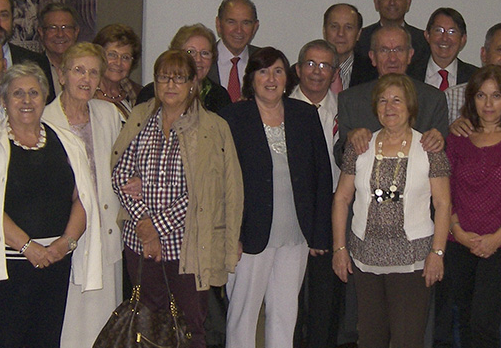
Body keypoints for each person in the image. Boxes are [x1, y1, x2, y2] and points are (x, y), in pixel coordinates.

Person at [0, 63, 102, 347]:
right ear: (5, 99)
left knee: (47, 341)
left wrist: (65, 244)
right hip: (7, 268)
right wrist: (28, 248)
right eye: (17, 94)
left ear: (45, 97)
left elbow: (83, 199)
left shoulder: (67, 141)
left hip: (55, 263)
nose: (26, 101)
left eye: (33, 93)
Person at [111, 50, 244, 348]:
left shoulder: (213, 128)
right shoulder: (141, 117)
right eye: (163, 77)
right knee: (147, 324)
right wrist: (144, 225)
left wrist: (154, 226)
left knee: (189, 325)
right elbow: (119, 173)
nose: (170, 85)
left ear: (193, 84)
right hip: (139, 244)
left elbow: (206, 194)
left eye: (179, 78)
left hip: (189, 246)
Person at [218, 47, 333, 348]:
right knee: (243, 315)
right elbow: (221, 183)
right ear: (251, 78)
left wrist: (320, 234)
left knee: (285, 314)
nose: (271, 78)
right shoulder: (232, 117)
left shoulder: (304, 115)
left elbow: (322, 174)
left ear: (288, 77)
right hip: (250, 236)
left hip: (295, 234)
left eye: (278, 71)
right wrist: (231, 236)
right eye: (263, 71)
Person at [331, 73, 451, 347]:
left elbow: (443, 204)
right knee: (370, 338)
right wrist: (340, 250)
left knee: (407, 339)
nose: (389, 107)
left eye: (397, 100)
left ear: (410, 106)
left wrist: (438, 253)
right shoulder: (360, 146)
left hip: (412, 261)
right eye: (383, 101)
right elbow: (341, 199)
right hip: (365, 258)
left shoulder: (430, 148)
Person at [435, 66, 501, 348]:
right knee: (464, 318)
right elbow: (446, 191)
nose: (489, 104)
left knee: (484, 321)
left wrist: (496, 238)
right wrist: (458, 233)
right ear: (471, 99)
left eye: (496, 96)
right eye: (481, 95)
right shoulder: (456, 139)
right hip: (460, 242)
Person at [40, 42, 125, 348]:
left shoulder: (109, 115)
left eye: (93, 72)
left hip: (107, 234)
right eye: (78, 71)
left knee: (105, 328)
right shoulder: (44, 120)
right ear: (62, 76)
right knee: (69, 326)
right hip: (66, 238)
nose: (86, 79)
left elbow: (121, 166)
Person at [288, 39, 348, 348]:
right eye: (310, 64)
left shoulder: (345, 112)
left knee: (326, 305)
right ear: (297, 70)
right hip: (289, 220)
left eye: (325, 65)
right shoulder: (278, 110)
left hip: (333, 219)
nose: (317, 71)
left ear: (335, 73)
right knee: (289, 304)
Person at [335, 25, 449, 164]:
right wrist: (350, 142)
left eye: (399, 50)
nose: (392, 58)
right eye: (384, 50)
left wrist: (438, 142)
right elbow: (341, 159)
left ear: (410, 55)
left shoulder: (433, 99)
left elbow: (444, 159)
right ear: (372, 57)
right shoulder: (349, 99)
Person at [351, 0, 430, 86]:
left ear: (408, 2)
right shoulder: (360, 39)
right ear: (376, 2)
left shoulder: (424, 42)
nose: (392, 2)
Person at [136, 24, 233, 113]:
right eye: (191, 52)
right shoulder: (150, 93)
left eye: (205, 53)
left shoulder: (220, 96)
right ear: (176, 55)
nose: (198, 59)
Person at [410, 8, 478, 94]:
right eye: (439, 30)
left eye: (452, 32)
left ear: (463, 39)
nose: (444, 38)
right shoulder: (409, 74)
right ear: (427, 35)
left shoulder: (476, 78)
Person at [210, 0, 261, 101]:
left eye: (246, 23)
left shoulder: (266, 61)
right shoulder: (202, 60)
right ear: (218, 24)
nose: (239, 30)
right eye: (231, 22)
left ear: (255, 27)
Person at [91, 23, 143, 118]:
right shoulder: (85, 93)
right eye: (112, 55)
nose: (118, 62)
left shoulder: (139, 95)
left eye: (125, 57)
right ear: (98, 55)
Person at [36, 3, 81, 98]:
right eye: (53, 28)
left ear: (76, 32)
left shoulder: (86, 69)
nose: (60, 34)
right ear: (41, 32)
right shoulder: (32, 70)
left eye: (66, 27)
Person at [322, 3, 362, 93]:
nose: (340, 33)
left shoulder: (372, 73)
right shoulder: (304, 72)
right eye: (334, 26)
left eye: (348, 27)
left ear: (358, 34)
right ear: (324, 31)